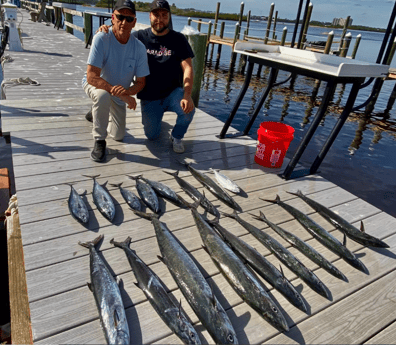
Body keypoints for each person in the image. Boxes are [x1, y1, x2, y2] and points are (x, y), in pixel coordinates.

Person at [100, 0, 195, 153]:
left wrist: (187, 94)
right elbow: (120, 34)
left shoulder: (179, 39)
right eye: (156, 15)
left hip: (173, 93)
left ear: (169, 17)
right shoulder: (138, 37)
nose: (160, 19)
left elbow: (188, 68)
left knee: (188, 110)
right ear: (150, 16)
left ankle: (177, 136)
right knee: (152, 135)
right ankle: (156, 119)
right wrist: (106, 30)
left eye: (164, 15)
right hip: (150, 96)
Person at [82, 0, 150, 162]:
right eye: (120, 17)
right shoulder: (101, 37)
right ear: (112, 18)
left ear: (134, 22)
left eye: (129, 19)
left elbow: (141, 82)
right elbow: (91, 76)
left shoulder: (139, 48)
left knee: (119, 136)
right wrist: (121, 95)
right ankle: (99, 140)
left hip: (119, 93)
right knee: (103, 96)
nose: (123, 22)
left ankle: (96, 112)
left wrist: (127, 92)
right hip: (97, 85)